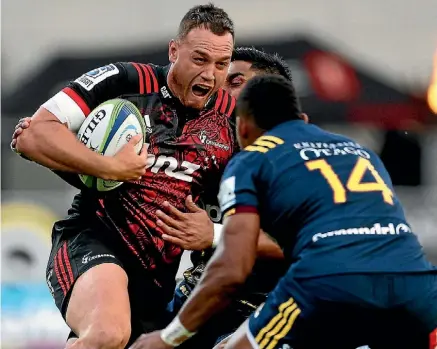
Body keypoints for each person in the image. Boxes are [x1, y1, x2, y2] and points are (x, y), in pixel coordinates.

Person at [130, 75, 437, 349]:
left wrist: (169, 337)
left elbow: (231, 269)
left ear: (243, 128)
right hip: (417, 287)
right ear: (302, 119)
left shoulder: (253, 158)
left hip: (326, 281)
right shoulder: (361, 152)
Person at [11, 4, 240, 349]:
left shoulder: (232, 119)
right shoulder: (126, 81)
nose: (210, 75)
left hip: (161, 277)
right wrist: (111, 168)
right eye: (200, 59)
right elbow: (34, 136)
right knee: (108, 334)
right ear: (174, 51)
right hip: (94, 240)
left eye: (221, 65)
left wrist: (214, 233)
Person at [159, 47, 291, 349]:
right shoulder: (198, 149)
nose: (219, 87)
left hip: (265, 307)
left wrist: (216, 234)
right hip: (199, 299)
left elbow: (302, 241)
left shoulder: (293, 160)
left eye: (235, 81)